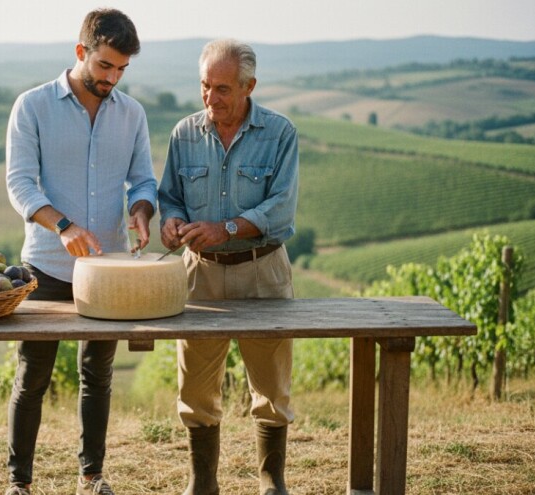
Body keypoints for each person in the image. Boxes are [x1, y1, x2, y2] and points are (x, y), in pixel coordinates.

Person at [4, 8, 157, 495]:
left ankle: (91, 477)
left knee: (98, 374)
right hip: (46, 264)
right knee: (33, 377)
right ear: (80, 53)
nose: (112, 78)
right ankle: (19, 484)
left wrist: (141, 210)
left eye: (121, 70)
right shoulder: (32, 107)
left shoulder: (132, 113)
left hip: (108, 268)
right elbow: (19, 183)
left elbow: (144, 179)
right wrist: (62, 225)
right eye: (104, 66)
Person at [158, 39, 299, 495]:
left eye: (222, 88)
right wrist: (172, 220)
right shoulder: (183, 134)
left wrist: (229, 229)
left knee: (272, 387)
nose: (210, 99)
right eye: (204, 86)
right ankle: (203, 483)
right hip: (199, 274)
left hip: (263, 269)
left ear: (248, 86)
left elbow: (282, 209)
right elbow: (170, 196)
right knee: (196, 390)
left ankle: (270, 480)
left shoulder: (280, 133)